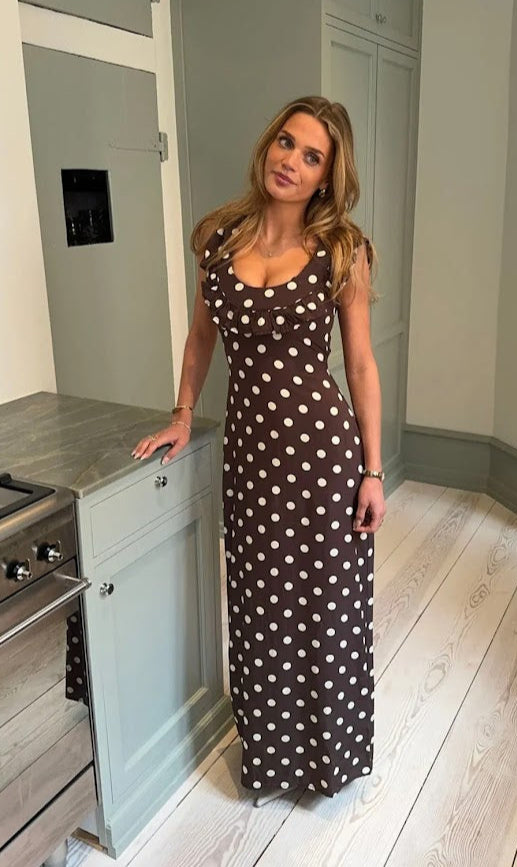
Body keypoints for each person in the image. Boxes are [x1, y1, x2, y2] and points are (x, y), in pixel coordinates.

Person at [132, 96, 386, 806]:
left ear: (327, 177)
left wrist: (372, 470)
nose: (291, 161)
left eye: (312, 156)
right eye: (286, 142)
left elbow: (360, 365)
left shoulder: (343, 251)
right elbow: (200, 339)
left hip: (325, 458)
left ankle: (328, 761)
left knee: (326, 608)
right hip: (250, 456)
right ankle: (272, 761)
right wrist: (183, 413)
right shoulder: (218, 239)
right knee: (259, 605)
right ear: (267, 145)